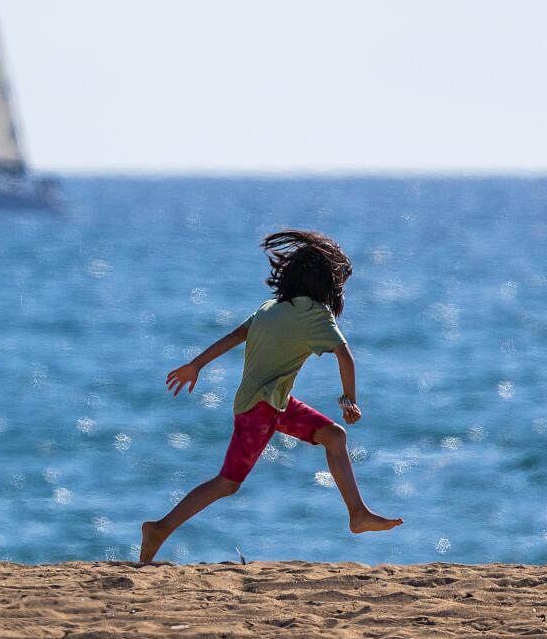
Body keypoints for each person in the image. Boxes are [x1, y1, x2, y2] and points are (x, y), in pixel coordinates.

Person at [140, 230, 402, 564]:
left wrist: (196, 365)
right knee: (227, 482)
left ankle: (357, 514)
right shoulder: (315, 315)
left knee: (334, 436)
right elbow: (345, 356)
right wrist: (349, 398)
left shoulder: (270, 307)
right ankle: (160, 528)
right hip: (260, 409)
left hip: (272, 403)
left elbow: (235, 336)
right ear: (325, 284)